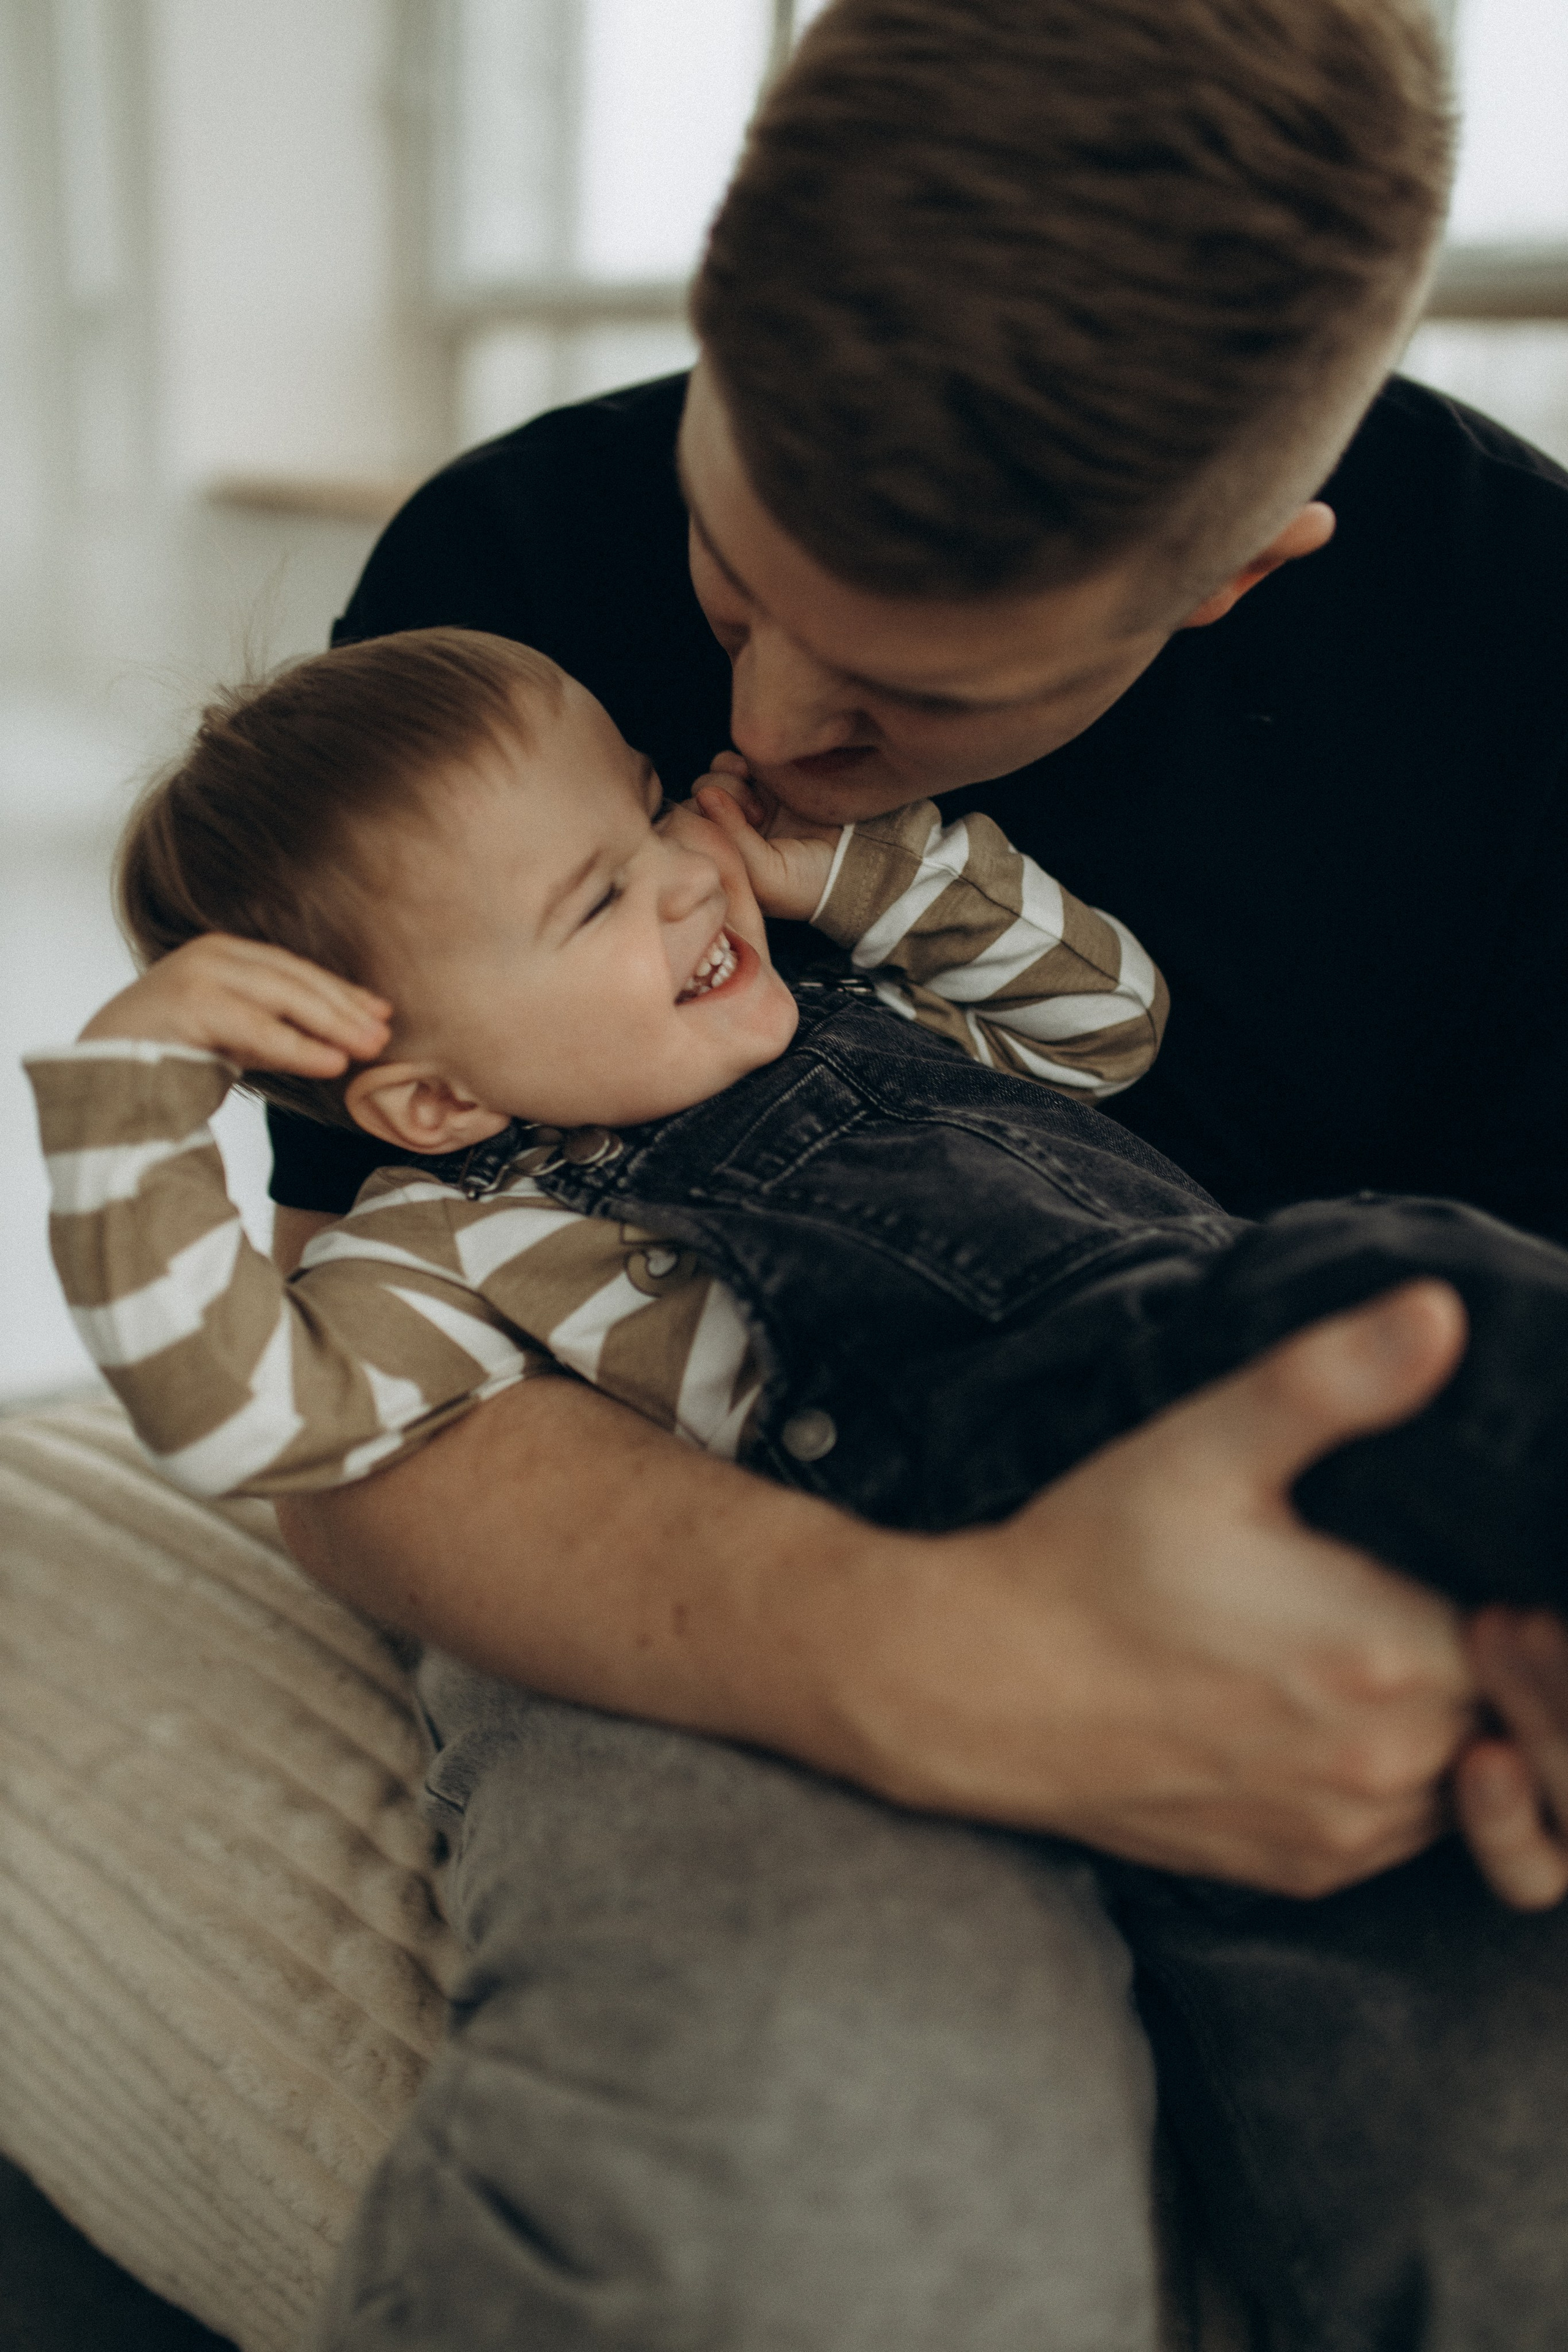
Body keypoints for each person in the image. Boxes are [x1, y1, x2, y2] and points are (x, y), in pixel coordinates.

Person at [245, 2, 1568, 2345]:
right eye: (733, 577)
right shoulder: (501, 576)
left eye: (915, 706)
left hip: (1344, 1533)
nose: (752, 747)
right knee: (820, 2210)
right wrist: (926, 1659)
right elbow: (326, 1361)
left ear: (1245, 571)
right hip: (713, 1477)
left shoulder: (1527, 648)